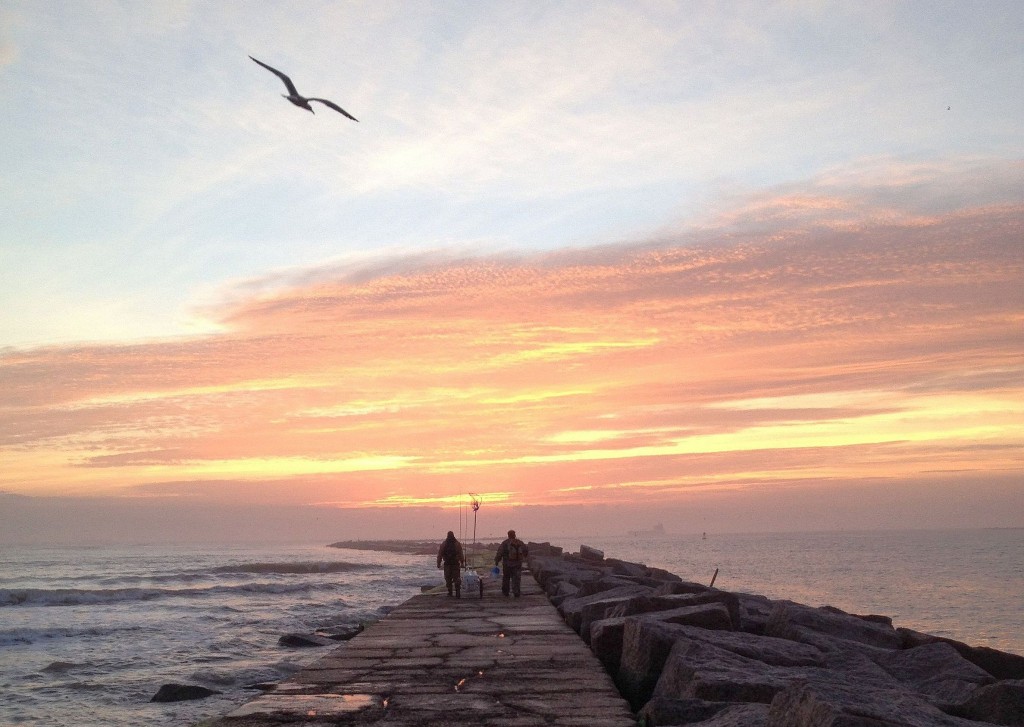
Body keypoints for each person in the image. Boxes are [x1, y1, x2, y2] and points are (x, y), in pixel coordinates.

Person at [494, 529, 528, 598]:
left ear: (508, 535)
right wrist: (523, 557)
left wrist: (497, 560)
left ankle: (506, 592)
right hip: (517, 564)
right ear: (515, 535)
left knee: (506, 578)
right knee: (516, 578)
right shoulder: (519, 542)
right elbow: (525, 550)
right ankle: (516, 592)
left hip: (507, 564)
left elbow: (500, 552)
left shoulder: (505, 543)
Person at [436, 531, 466, 597]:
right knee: (457, 578)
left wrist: (438, 563)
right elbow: (461, 554)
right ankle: (458, 591)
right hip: (455, 563)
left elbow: (440, 554)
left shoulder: (444, 544)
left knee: (448, 578)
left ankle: (450, 592)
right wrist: (462, 563)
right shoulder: (457, 543)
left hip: (447, 564)